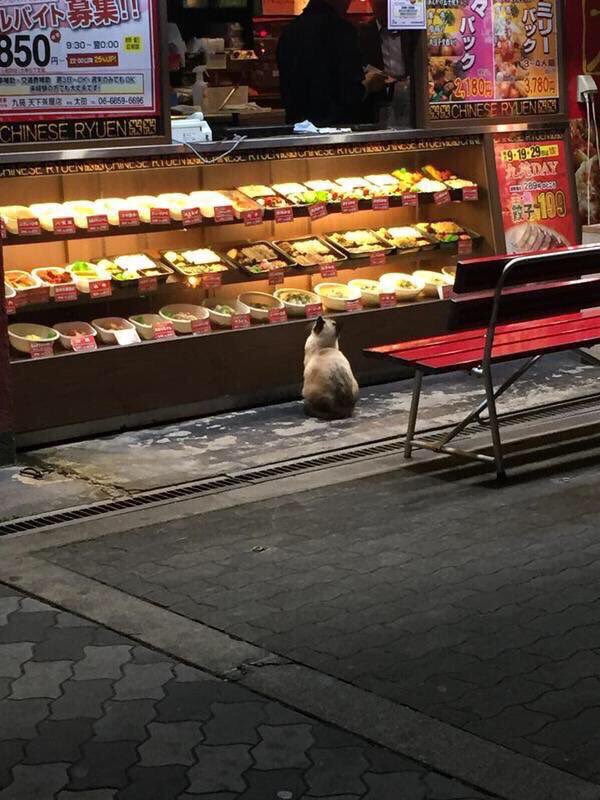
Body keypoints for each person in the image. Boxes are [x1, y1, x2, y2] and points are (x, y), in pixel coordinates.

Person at [277, 0, 386, 127]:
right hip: (337, 128)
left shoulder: (289, 32)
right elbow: (349, 93)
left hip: (299, 128)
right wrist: (369, 83)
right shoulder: (342, 30)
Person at [358, 0, 416, 126]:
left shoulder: (412, 31)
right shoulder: (362, 33)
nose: (385, 8)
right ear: (372, 4)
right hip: (376, 104)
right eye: (380, 4)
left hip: (411, 98)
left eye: (387, 3)